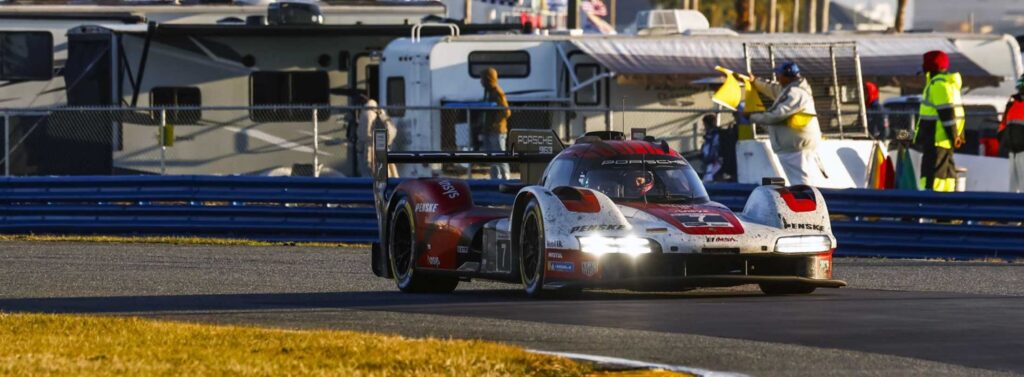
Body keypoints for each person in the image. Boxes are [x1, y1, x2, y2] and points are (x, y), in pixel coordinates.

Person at [743, 61, 825, 186]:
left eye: (779, 75)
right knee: (803, 182)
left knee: (802, 185)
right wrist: (755, 81)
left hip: (796, 147)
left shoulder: (796, 93)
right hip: (797, 145)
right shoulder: (792, 89)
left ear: (787, 76)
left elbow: (776, 115)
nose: (778, 78)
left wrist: (751, 116)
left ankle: (808, 205)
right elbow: (773, 89)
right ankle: (809, 203)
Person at [915, 50, 965, 192]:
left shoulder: (938, 86)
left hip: (935, 143)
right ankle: (948, 212)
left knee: (932, 181)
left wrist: (954, 137)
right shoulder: (948, 85)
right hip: (943, 143)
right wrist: (956, 137)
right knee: (946, 180)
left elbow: (947, 116)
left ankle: (929, 211)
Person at [477, 67, 512, 179]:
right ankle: (495, 178)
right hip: (488, 130)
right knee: (491, 156)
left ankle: (506, 178)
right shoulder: (487, 92)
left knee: (500, 155)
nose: (480, 81)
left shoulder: (497, 92)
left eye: (482, 78)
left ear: (488, 79)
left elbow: (506, 111)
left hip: (497, 131)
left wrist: (495, 124)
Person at [357, 96, 398, 178]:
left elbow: (365, 135)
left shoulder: (366, 113)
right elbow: (392, 130)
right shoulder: (379, 112)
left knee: (371, 175)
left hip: (371, 149)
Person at [998, 74, 1024, 193]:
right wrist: (1002, 139)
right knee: (1012, 187)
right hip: (1012, 151)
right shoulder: (1012, 104)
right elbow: (1004, 124)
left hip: (1022, 151)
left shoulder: (1013, 103)